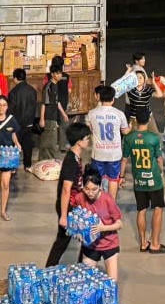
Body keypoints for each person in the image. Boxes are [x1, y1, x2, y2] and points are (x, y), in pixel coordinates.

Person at [121, 111, 165, 254]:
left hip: (139, 180)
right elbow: (159, 158)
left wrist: (121, 176)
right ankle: (155, 243)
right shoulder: (153, 138)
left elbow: (124, 160)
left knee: (141, 209)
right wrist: (161, 172)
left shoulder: (129, 138)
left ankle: (143, 243)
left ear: (136, 121)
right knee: (158, 208)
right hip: (153, 179)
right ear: (149, 120)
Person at [45, 122, 92, 267]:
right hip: (69, 207)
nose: (88, 141)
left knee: (85, 237)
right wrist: (64, 216)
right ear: (79, 141)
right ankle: (49, 269)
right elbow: (66, 189)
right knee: (63, 240)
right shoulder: (71, 160)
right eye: (87, 138)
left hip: (74, 206)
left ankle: (81, 265)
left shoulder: (76, 157)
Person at [78, 166, 123, 282]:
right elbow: (77, 219)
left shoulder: (107, 200)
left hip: (110, 244)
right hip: (91, 245)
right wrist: (78, 233)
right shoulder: (80, 198)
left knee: (112, 283)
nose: (90, 193)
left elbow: (119, 224)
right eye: (87, 189)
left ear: (100, 187)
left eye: (94, 189)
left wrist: (103, 228)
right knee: (85, 281)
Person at [86, 85, 130, 198]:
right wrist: (130, 126)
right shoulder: (119, 114)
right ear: (113, 99)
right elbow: (125, 132)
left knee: (97, 180)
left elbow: (90, 129)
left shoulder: (91, 113)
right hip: (114, 154)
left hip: (98, 154)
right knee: (113, 180)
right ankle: (111, 204)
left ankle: (98, 204)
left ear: (99, 97)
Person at [8, 68, 39, 173]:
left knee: (15, 145)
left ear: (15, 78)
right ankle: (27, 165)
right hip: (29, 122)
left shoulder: (13, 92)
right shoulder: (32, 90)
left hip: (16, 123)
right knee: (27, 145)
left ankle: (13, 167)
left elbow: (10, 110)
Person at [39, 66, 69, 158]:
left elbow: (57, 102)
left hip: (54, 116)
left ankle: (48, 162)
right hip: (48, 117)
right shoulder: (49, 86)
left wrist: (63, 114)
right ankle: (47, 163)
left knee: (51, 142)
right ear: (52, 74)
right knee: (49, 143)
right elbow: (44, 103)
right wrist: (42, 119)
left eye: (60, 73)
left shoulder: (55, 85)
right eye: (57, 73)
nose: (60, 75)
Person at [124, 68, 156, 134]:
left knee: (154, 134)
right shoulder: (131, 90)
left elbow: (159, 94)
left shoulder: (148, 90)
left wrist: (153, 82)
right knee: (133, 137)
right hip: (134, 117)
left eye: (140, 78)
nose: (138, 79)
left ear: (144, 80)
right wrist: (128, 71)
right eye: (136, 78)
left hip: (147, 117)